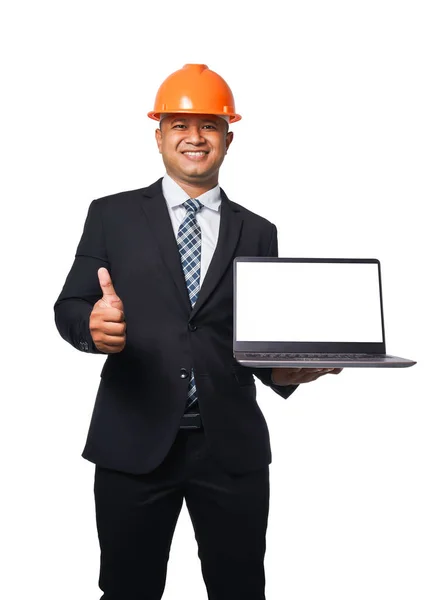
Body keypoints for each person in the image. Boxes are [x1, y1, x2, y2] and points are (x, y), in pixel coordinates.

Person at [54, 63, 342, 600]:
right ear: (158, 135)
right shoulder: (111, 215)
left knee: (239, 589)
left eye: (208, 125)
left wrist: (289, 372)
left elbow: (259, 337)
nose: (194, 137)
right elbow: (71, 305)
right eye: (180, 125)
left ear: (228, 137)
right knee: (126, 588)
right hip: (133, 440)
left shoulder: (258, 231)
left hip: (229, 446)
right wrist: (92, 328)